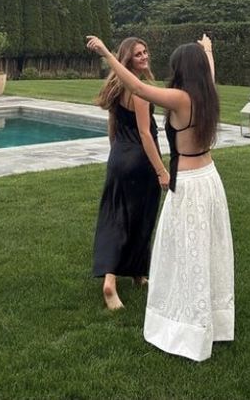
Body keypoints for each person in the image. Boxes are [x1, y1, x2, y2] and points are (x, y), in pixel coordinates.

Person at [86, 33, 234, 362]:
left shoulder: (180, 98)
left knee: (183, 251)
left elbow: (138, 88)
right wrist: (209, 51)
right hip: (211, 179)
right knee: (208, 249)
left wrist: (107, 54)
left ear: (182, 69)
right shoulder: (207, 94)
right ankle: (215, 320)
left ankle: (189, 324)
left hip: (190, 183)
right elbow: (208, 71)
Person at [91, 37, 169, 310]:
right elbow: (146, 135)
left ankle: (137, 274)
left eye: (146, 51)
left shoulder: (116, 87)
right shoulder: (139, 91)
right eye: (138, 54)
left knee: (117, 217)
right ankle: (110, 282)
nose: (145, 56)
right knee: (138, 218)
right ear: (128, 60)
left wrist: (117, 157)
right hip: (140, 161)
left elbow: (113, 127)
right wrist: (161, 170)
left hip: (119, 158)